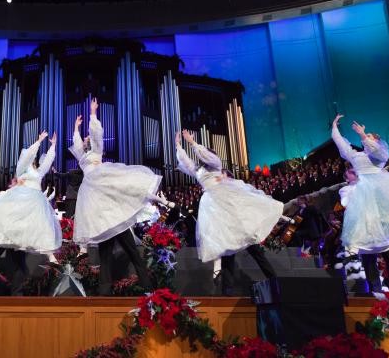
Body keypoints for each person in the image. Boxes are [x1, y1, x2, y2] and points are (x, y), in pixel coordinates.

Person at [69, 98, 173, 295]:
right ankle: (104, 295)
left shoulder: (97, 151)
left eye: (86, 139)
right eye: (84, 140)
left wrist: (93, 114)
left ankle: (149, 291)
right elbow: (76, 144)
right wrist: (75, 128)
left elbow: (97, 134)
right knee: (105, 255)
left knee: (132, 252)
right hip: (100, 213)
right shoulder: (82, 158)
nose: (85, 140)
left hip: (114, 211)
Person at [175, 129, 288, 295]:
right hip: (213, 208)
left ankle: (274, 281)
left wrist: (192, 143)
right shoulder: (198, 171)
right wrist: (178, 144)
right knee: (225, 247)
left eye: (205, 151)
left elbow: (206, 156)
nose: (202, 154)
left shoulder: (216, 164)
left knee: (251, 244)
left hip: (225, 202)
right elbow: (185, 161)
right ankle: (227, 290)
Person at [0, 131, 62, 295]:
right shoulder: (22, 171)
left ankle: (17, 295)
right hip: (14, 216)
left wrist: (53, 146)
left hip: (25, 220)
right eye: (30, 157)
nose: (32, 159)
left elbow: (47, 164)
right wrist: (38, 141)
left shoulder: (37, 173)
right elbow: (25, 157)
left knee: (19, 260)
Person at [332, 114, 389, 291]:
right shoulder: (357, 157)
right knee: (366, 244)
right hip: (364, 199)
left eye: (372, 138)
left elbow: (378, 150)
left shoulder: (380, 156)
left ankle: (387, 285)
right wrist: (335, 128)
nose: (368, 140)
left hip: (382, 196)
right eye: (368, 138)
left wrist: (363, 135)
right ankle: (372, 288)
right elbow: (342, 146)